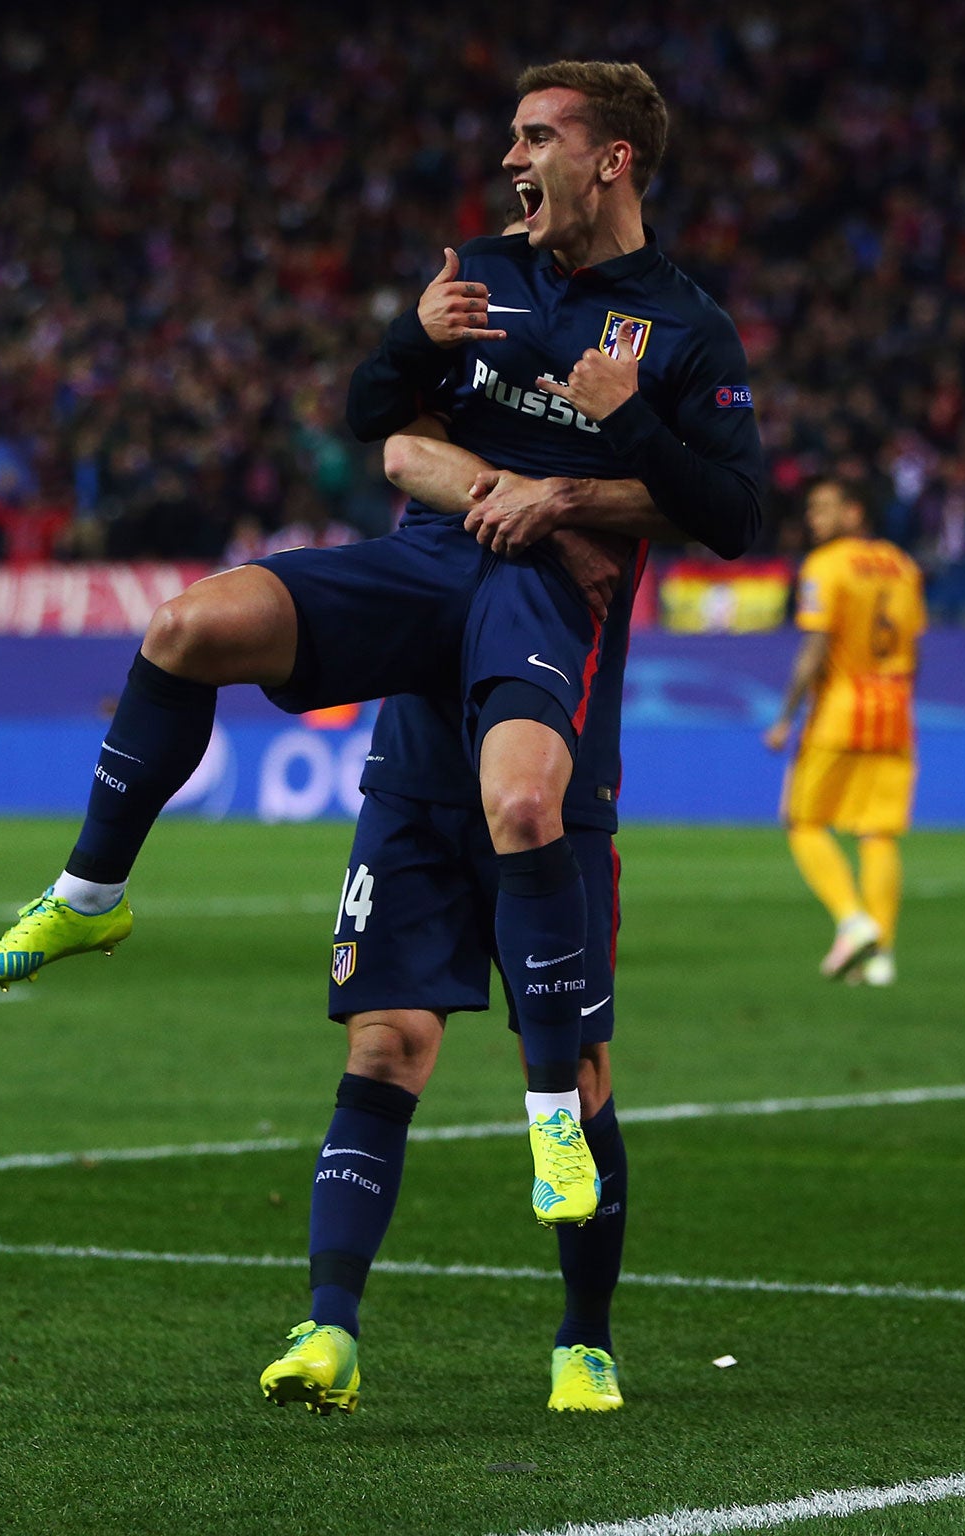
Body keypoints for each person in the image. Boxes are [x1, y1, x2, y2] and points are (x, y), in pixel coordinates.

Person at [0, 62, 761, 1247]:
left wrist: (620, 425)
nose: (509, 161)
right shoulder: (479, 277)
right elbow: (376, 420)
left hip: (538, 589)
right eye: (510, 138)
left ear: (610, 158)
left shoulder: (686, 327)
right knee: (182, 630)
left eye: (535, 138)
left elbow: (732, 517)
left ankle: (547, 1117)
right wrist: (412, 340)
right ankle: (89, 895)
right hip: (437, 555)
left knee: (524, 807)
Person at [257, 405, 657, 1416]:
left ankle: (584, 1341)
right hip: (412, 789)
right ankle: (330, 1326)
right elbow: (391, 436)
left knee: (577, 1069)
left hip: (553, 807)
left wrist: (567, 501)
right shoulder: (450, 451)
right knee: (384, 1045)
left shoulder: (607, 476)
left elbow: (713, 500)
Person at [764, 479, 925, 987]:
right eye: (811, 509)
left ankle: (853, 921)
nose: (813, 518)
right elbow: (914, 649)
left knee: (802, 821)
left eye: (825, 508)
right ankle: (881, 958)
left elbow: (815, 647)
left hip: (840, 710)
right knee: (878, 832)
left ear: (855, 512)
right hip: (895, 711)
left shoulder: (826, 566)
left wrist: (787, 716)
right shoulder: (904, 567)